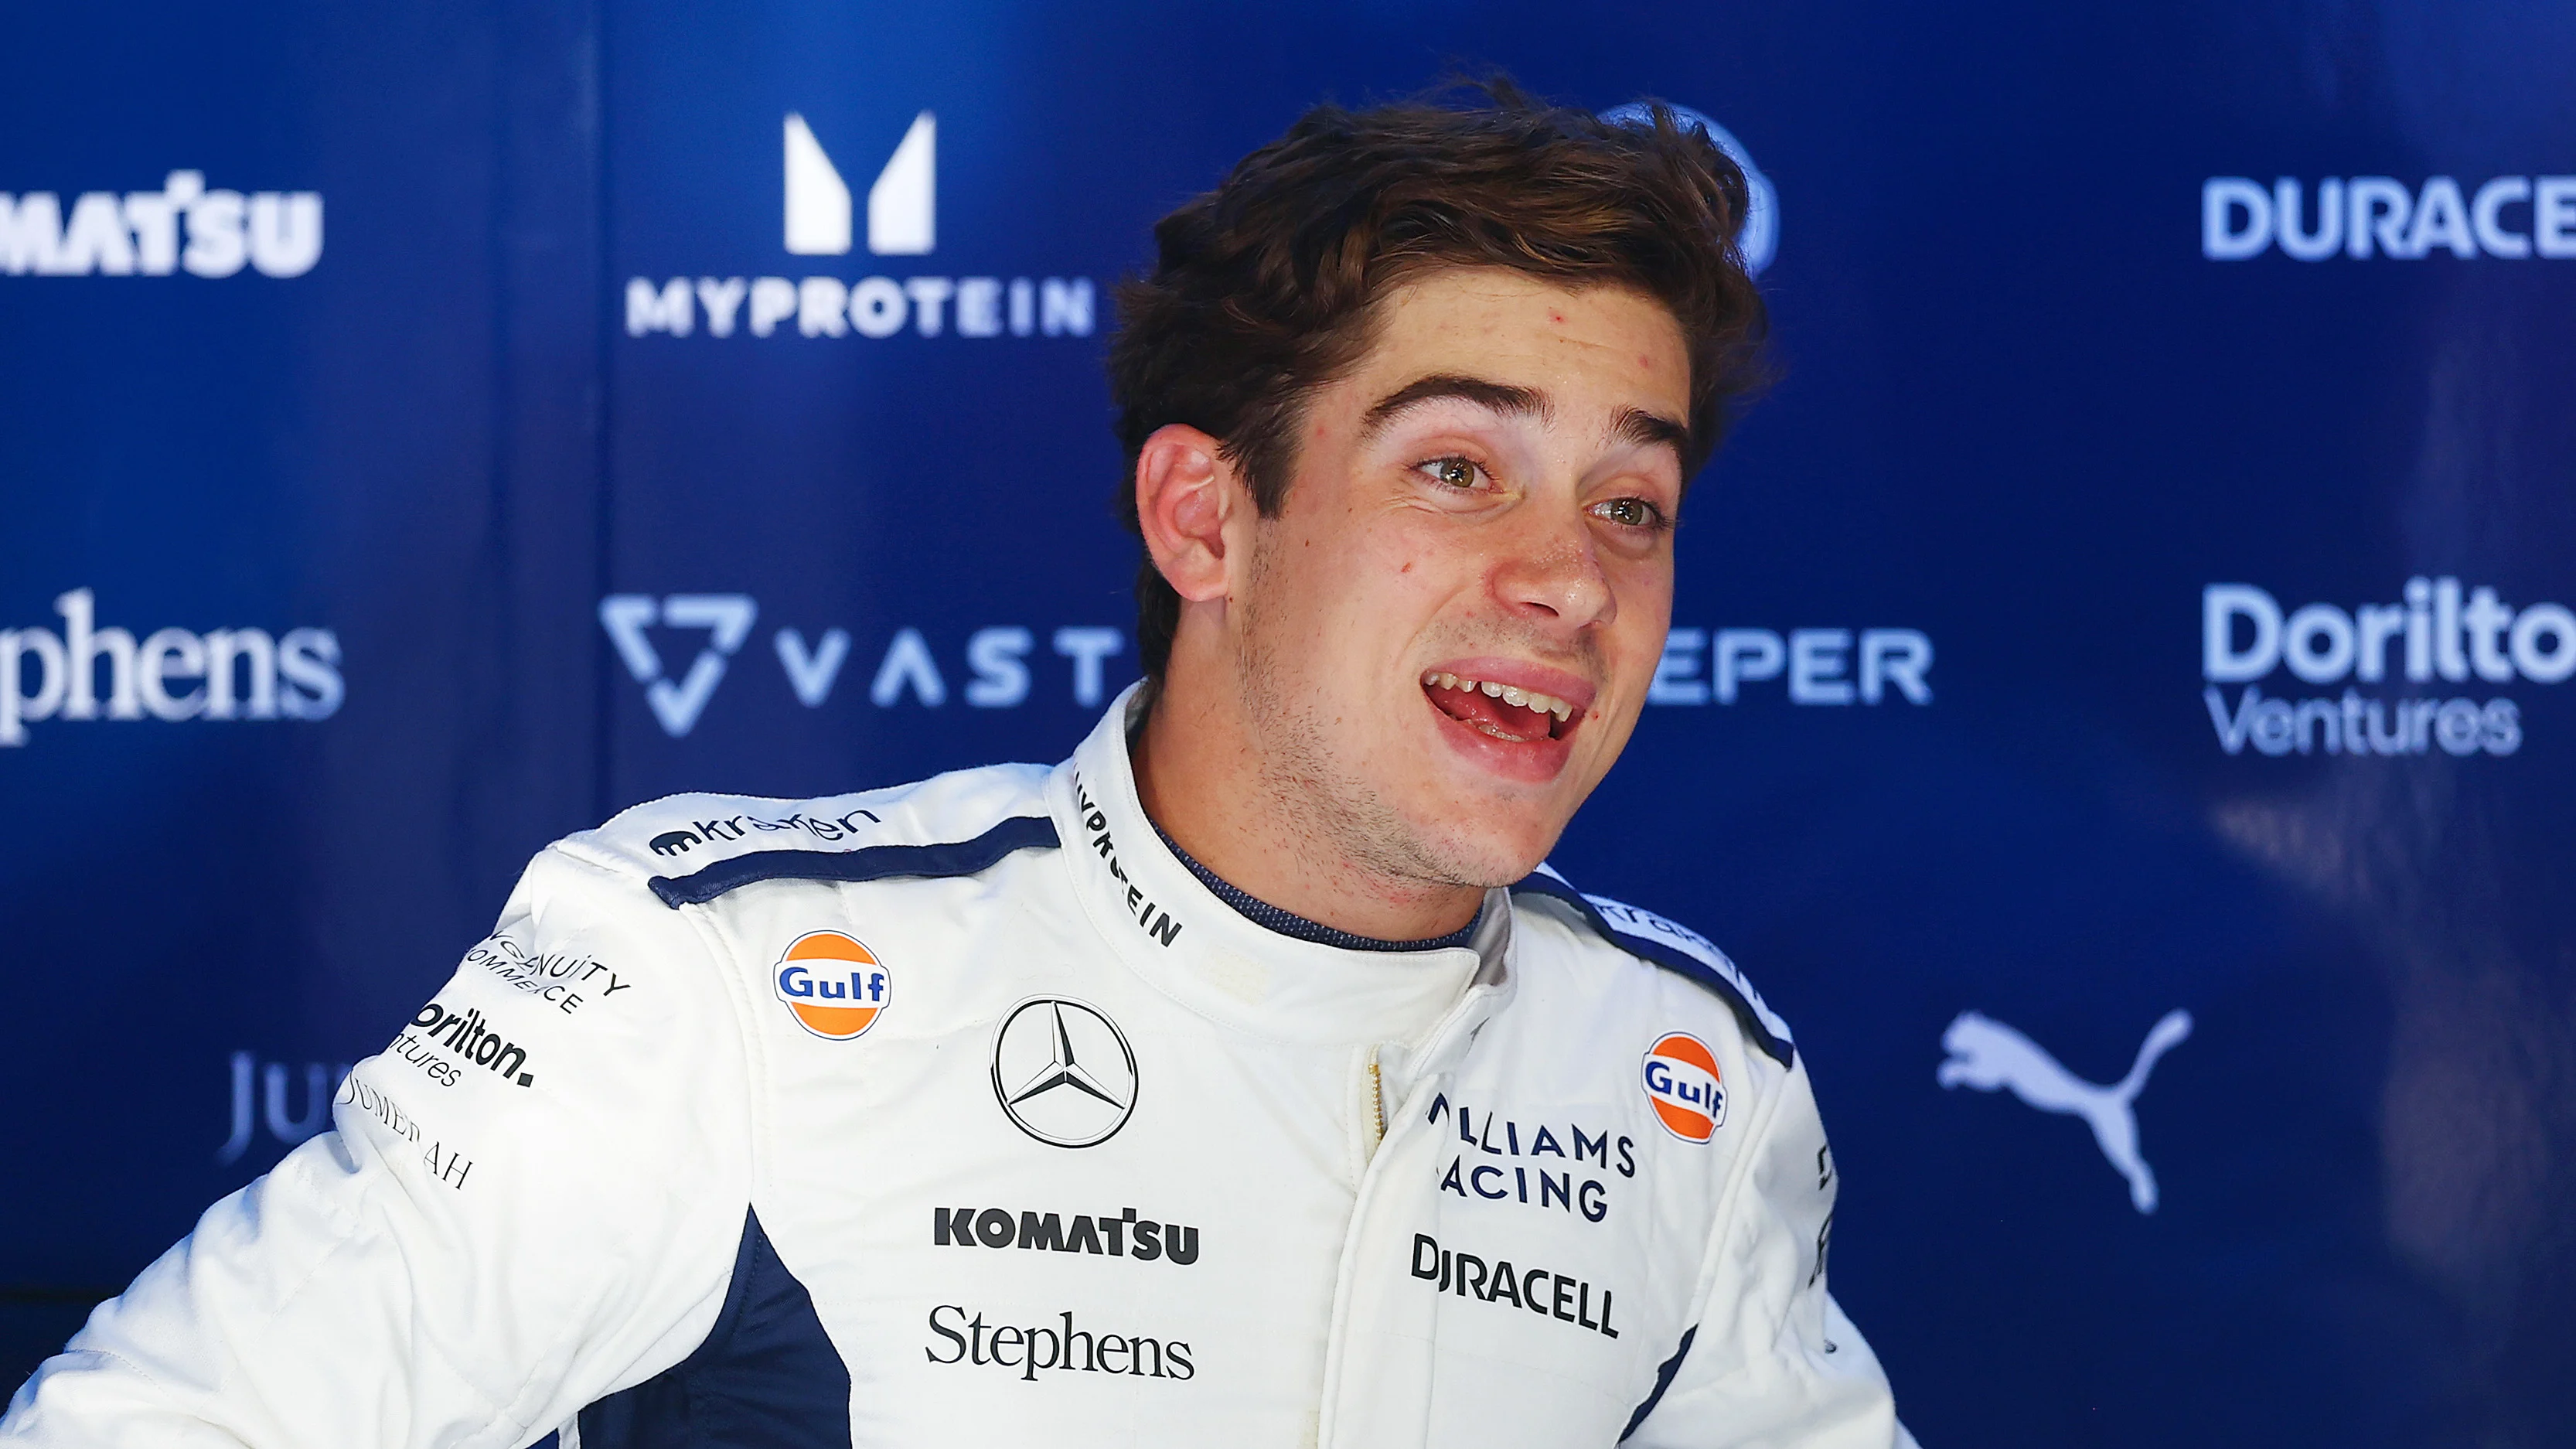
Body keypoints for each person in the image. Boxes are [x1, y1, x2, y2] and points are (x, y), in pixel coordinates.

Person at [2, 83, 1913, 1448]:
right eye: (1452, 467)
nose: (1567, 577)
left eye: (1632, 502)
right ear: (1205, 518)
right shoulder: (724, 979)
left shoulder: (1684, 1077)